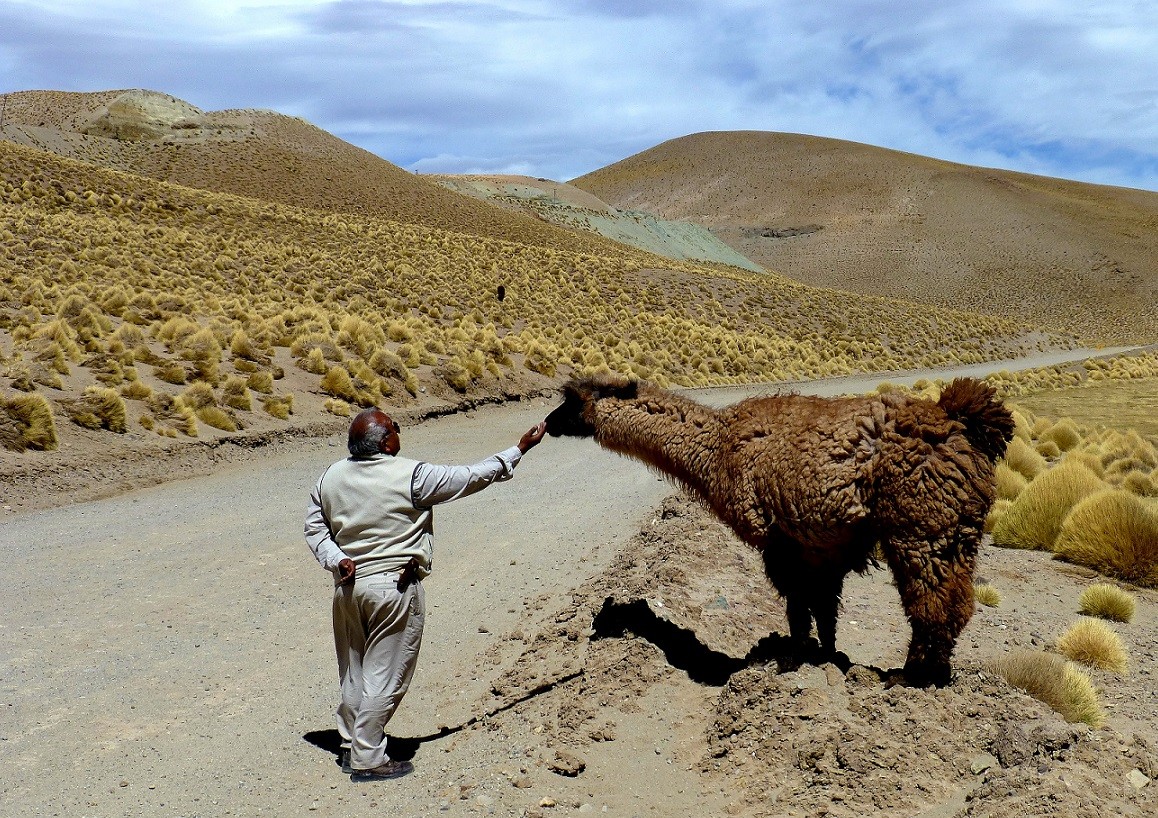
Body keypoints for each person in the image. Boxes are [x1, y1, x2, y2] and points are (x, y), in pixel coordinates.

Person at [304, 407, 546, 781]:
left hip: (348, 588)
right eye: (396, 428)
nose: (400, 434)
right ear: (386, 441)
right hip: (393, 589)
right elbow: (470, 477)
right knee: (385, 676)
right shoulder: (411, 476)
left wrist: (337, 560)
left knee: (354, 674)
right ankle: (368, 757)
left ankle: (353, 743)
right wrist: (520, 449)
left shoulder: (329, 477)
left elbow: (315, 528)